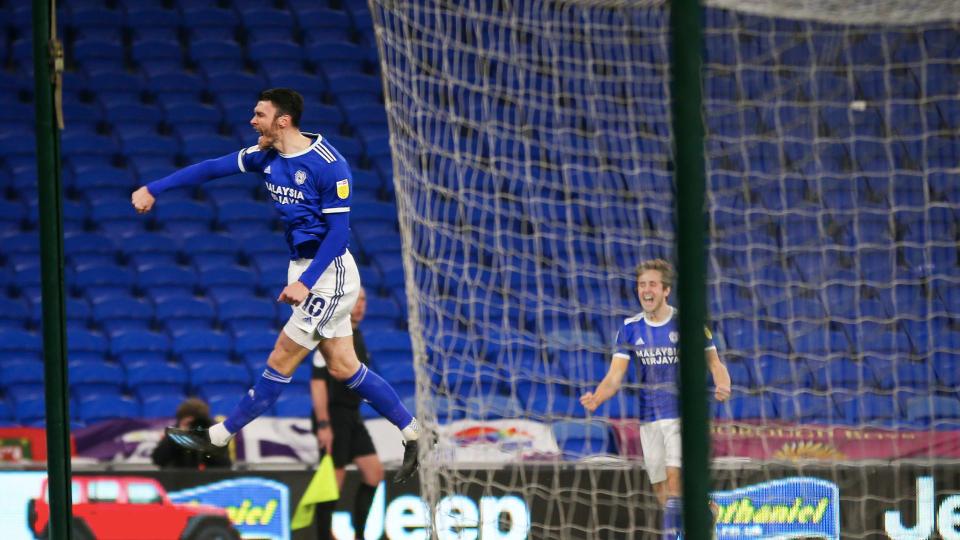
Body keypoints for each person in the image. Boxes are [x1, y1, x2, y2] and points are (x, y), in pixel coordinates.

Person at [131, 88, 420, 483]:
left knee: (281, 355)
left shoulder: (329, 165)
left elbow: (338, 235)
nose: (252, 121)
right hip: (304, 268)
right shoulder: (265, 156)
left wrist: (306, 282)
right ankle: (412, 431)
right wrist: (154, 188)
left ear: (282, 120)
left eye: (259, 115)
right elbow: (211, 168)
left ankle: (218, 435)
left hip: (328, 272)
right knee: (342, 365)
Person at [579, 258, 731, 539]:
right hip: (649, 418)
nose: (645, 290)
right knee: (661, 489)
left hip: (682, 416)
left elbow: (714, 362)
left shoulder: (687, 323)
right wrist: (596, 398)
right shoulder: (629, 328)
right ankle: (705, 507)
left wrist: (723, 383)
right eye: (641, 285)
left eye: (651, 284)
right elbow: (615, 376)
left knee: (674, 480)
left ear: (666, 290)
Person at [311, 286, 384, 540]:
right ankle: (323, 534)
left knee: (374, 472)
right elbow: (318, 382)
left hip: (353, 415)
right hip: (333, 416)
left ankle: (360, 535)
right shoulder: (331, 333)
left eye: (365, 299)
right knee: (335, 479)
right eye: (357, 300)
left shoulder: (359, 336)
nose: (361, 305)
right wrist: (323, 424)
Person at [151, 398, 231, 470]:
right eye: (189, 423)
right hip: (177, 479)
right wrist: (178, 436)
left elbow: (225, 465)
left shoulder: (213, 435)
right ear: (181, 421)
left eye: (196, 423)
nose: (193, 427)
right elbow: (158, 459)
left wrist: (206, 441)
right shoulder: (174, 434)